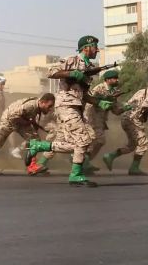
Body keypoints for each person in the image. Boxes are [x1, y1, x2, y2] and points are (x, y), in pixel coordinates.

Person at [25, 35, 104, 187]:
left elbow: (84, 94)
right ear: (85, 48)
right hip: (66, 105)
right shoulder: (72, 60)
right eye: (95, 47)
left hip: (77, 106)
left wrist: (99, 102)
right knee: (83, 139)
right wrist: (71, 73)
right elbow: (51, 72)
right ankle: (75, 175)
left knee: (75, 143)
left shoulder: (89, 67)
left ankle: (38, 146)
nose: (97, 50)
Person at [0, 93, 55, 176]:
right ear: (43, 102)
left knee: (35, 140)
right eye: (49, 106)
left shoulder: (37, 106)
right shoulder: (30, 105)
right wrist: (29, 122)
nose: (50, 109)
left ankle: (32, 166)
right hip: (8, 120)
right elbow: (14, 115)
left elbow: (29, 119)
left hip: (20, 122)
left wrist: (34, 125)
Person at [102, 76, 148, 175]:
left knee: (132, 145)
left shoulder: (141, 91)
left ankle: (111, 156)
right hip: (133, 119)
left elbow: (131, 103)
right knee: (143, 143)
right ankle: (134, 168)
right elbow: (145, 106)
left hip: (126, 118)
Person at [83, 70, 124, 172]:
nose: (117, 80)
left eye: (117, 78)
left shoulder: (114, 91)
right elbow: (90, 100)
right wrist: (103, 100)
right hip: (92, 116)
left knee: (99, 141)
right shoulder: (99, 88)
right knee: (96, 140)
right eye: (114, 78)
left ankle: (85, 162)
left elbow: (116, 110)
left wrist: (125, 108)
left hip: (101, 119)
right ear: (107, 80)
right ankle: (83, 162)